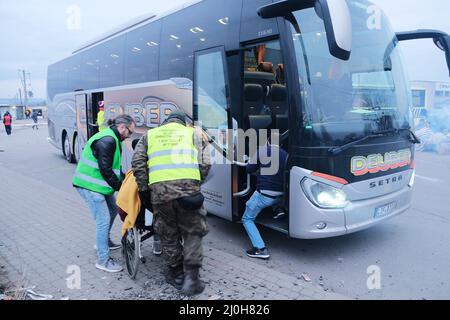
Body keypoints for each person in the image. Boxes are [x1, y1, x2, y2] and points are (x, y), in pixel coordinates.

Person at [131, 109, 211, 295]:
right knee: (193, 232)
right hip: (189, 192)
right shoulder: (194, 134)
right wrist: (195, 182)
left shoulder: (150, 135)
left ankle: (176, 274)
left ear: (165, 122)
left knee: (168, 233)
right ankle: (192, 277)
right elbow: (206, 162)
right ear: (183, 123)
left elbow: (138, 162)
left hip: (160, 194)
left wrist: (144, 188)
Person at [73, 114, 136, 273]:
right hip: (89, 186)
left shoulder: (113, 138)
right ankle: (103, 260)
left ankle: (104, 241)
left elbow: (113, 167)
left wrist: (125, 179)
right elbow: (106, 170)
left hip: (98, 186)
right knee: (103, 219)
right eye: (130, 132)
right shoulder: (108, 140)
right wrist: (121, 187)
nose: (130, 136)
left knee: (113, 209)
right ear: (122, 127)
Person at [242, 131, 288, 260]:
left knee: (247, 219)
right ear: (281, 144)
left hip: (264, 195)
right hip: (280, 196)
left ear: (268, 141)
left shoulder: (262, 150)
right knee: (272, 201)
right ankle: (279, 209)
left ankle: (260, 249)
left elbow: (249, 169)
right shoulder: (286, 155)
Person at [117, 139, 161, 255]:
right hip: (158, 214)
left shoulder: (132, 174)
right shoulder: (159, 171)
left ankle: (134, 242)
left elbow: (123, 199)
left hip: (138, 215)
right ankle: (158, 244)